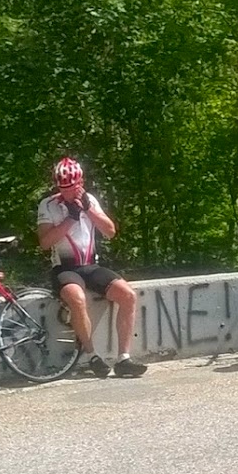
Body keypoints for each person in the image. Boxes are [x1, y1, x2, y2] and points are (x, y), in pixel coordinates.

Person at [37, 156, 147, 378]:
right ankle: (92, 356)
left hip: (89, 265)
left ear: (81, 182)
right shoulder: (48, 205)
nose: (68, 192)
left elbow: (110, 231)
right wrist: (70, 219)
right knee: (77, 298)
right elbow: (45, 242)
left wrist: (88, 209)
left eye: (72, 187)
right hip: (64, 268)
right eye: (63, 187)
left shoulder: (90, 200)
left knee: (127, 295)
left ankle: (124, 358)